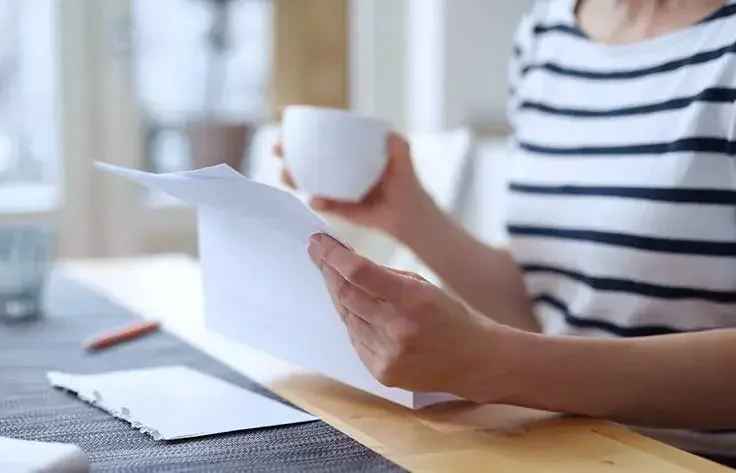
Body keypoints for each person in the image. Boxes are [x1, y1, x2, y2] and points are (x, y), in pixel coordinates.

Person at [274, 0, 736, 467]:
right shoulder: (547, 34)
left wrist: (492, 364)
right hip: (574, 442)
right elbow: (550, 309)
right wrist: (409, 214)